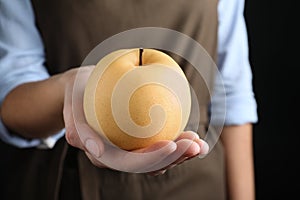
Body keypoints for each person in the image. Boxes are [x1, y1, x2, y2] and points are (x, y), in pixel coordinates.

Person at [0, 0, 258, 199]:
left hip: (195, 182)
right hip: (69, 183)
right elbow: (12, 88)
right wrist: (68, 87)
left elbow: (233, 96)